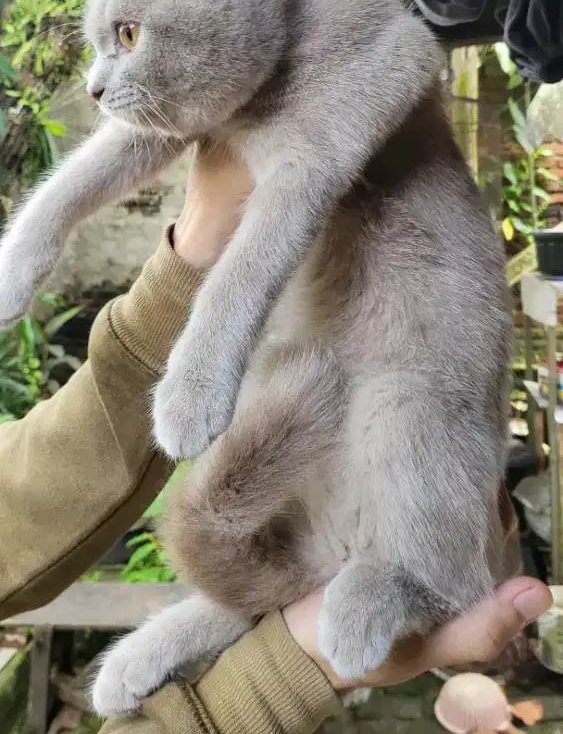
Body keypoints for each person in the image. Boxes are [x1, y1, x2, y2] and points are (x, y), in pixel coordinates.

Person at [0, 143, 552, 734]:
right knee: (299, 433)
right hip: (342, 358)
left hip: (399, 328)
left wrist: (185, 246)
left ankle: (402, 576)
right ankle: (303, 593)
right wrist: (284, 666)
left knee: (389, 407)